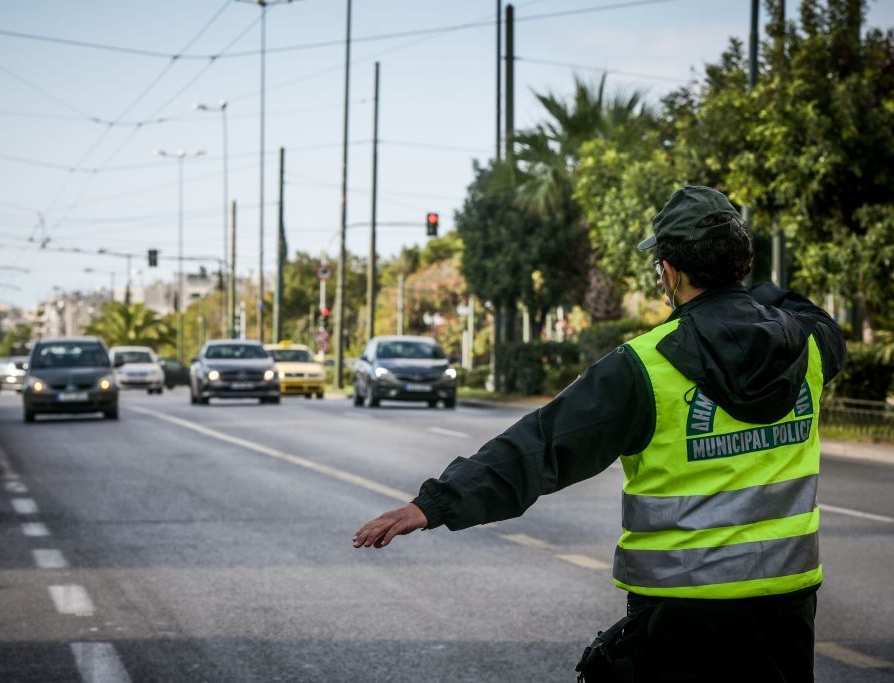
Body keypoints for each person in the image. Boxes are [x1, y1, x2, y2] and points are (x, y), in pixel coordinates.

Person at [352, 185, 846, 682]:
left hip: (684, 619)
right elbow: (807, 311)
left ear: (670, 274)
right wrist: (739, 286)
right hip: (788, 610)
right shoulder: (808, 346)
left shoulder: (644, 367)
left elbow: (544, 444)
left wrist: (437, 503)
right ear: (741, 264)